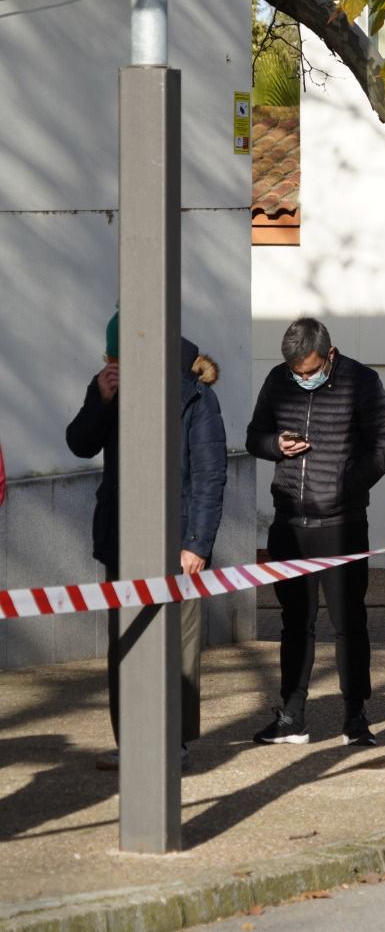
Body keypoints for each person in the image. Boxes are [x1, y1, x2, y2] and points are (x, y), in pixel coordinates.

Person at [68, 314, 226, 768]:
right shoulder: (108, 388)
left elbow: (210, 474)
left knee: (178, 643)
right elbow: (79, 443)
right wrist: (101, 398)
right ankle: (131, 742)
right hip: (124, 535)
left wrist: (197, 542)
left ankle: (173, 741)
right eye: (110, 359)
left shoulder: (196, 396)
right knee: (126, 641)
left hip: (177, 539)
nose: (116, 365)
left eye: (121, 358)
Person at [247, 318, 385, 746]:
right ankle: (292, 715)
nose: (302, 377)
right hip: (289, 525)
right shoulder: (278, 380)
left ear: (329, 355)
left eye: (309, 371)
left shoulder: (362, 382)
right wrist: (276, 444)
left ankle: (355, 717)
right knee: (295, 622)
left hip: (342, 524)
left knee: (349, 623)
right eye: (296, 371)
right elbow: (254, 436)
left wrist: (344, 484)